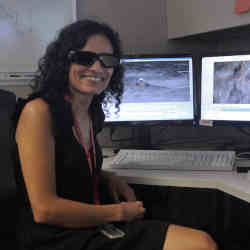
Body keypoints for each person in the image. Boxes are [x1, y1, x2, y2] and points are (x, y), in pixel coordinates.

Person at [12, 19, 218, 250]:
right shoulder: (38, 112)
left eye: (107, 60)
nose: (98, 68)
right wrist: (119, 212)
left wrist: (105, 176)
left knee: (199, 218)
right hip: (55, 236)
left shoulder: (89, 111)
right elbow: (44, 210)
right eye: (85, 58)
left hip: (89, 220)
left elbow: (66, 167)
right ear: (64, 61)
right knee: (201, 244)